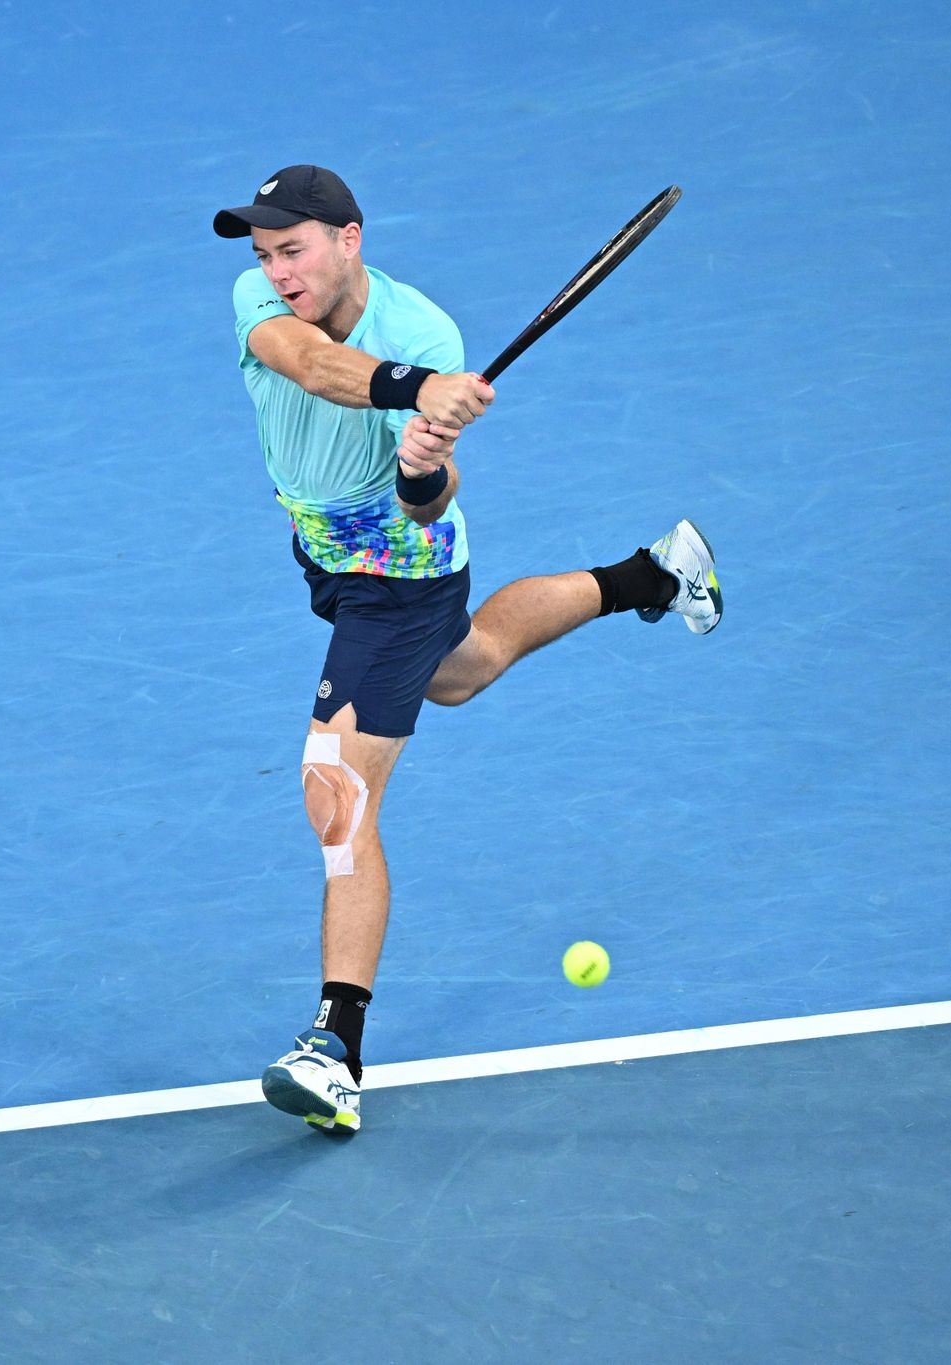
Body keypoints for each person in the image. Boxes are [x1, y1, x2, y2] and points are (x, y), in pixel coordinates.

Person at [213, 165, 721, 1133]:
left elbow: (428, 502)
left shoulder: (425, 334)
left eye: (294, 248)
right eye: (265, 253)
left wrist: (423, 463)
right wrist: (415, 396)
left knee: (335, 792)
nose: (275, 270)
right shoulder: (272, 307)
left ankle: (335, 1048)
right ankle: (650, 574)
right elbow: (310, 366)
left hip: (397, 571)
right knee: (465, 668)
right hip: (321, 547)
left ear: (349, 240)